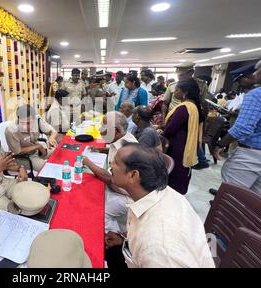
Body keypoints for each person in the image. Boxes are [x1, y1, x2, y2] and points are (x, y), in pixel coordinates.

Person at [106, 143, 215, 268]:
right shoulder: (163, 193)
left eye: (115, 162)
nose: (111, 165)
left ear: (133, 175)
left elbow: (157, 250)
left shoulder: (157, 249)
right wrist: (125, 240)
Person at [82, 111, 137, 234]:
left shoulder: (127, 151)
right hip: (116, 187)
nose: (100, 130)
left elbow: (110, 178)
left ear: (116, 131)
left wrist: (87, 161)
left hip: (126, 197)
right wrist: (102, 149)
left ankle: (118, 233)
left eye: (104, 127)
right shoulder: (123, 138)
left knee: (99, 215)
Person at [213, 61, 261, 194]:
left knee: (232, 196)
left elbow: (243, 128)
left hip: (251, 155)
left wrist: (220, 144)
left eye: (257, 71)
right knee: (254, 200)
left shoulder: (256, 94)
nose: (255, 74)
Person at [163, 79, 202, 195]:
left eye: (177, 90)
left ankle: (173, 196)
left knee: (176, 171)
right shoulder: (194, 105)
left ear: (185, 92)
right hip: (185, 141)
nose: (174, 93)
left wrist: (161, 132)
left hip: (178, 144)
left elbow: (170, 129)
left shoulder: (184, 108)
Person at [5, 104, 58, 171]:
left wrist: (51, 138)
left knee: (58, 154)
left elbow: (53, 132)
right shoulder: (11, 130)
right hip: (23, 157)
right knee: (48, 169)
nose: (24, 127)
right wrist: (38, 146)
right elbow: (16, 152)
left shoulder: (38, 120)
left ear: (34, 119)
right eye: (22, 123)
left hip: (37, 151)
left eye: (28, 123)